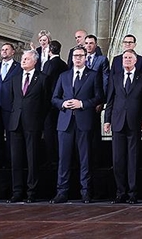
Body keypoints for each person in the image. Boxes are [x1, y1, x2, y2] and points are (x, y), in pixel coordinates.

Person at [51, 45, 103, 204]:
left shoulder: (93, 75)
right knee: (63, 159)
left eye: (81, 55)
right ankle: (62, 192)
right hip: (65, 122)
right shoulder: (64, 76)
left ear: (86, 58)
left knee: (85, 159)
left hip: (84, 121)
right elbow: (54, 98)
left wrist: (82, 104)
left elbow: (99, 97)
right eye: (75, 56)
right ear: (72, 58)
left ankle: (86, 192)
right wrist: (63, 104)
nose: (78, 58)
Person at [104, 50, 142, 204]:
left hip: (134, 122)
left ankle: (132, 193)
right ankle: (120, 192)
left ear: (135, 61)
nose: (127, 60)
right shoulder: (116, 76)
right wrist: (107, 120)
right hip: (117, 122)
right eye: (125, 57)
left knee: (133, 159)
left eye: (130, 58)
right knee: (117, 159)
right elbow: (110, 99)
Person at [8, 50, 49, 203]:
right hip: (16, 123)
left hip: (33, 123)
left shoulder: (43, 78)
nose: (23, 61)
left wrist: (39, 119)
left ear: (35, 61)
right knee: (16, 159)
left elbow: (46, 103)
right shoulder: (15, 78)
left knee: (32, 159)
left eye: (26, 59)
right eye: (23, 58)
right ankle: (17, 191)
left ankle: (32, 192)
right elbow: (12, 100)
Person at [41, 40, 67, 169]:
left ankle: (52, 159)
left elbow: (44, 82)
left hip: (49, 102)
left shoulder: (48, 64)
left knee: (49, 131)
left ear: (50, 50)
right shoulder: (64, 64)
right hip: (61, 102)